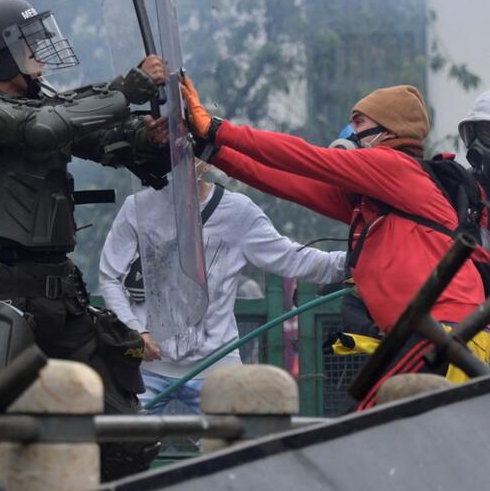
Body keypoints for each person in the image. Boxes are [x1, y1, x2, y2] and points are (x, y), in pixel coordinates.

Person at [0, 0, 171, 480]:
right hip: (0, 293)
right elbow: (40, 130)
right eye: (27, 42)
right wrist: (127, 89)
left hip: (62, 290)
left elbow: (95, 135)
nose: (39, 51)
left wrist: (150, 139)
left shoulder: (37, 100)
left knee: (129, 438)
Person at [181, 77, 489, 409]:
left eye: (358, 122)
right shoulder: (372, 200)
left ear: (388, 130)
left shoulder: (394, 167)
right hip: (425, 332)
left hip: (443, 328)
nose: (349, 132)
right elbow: (285, 180)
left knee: (366, 428)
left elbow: (304, 157)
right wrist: (211, 151)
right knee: (371, 427)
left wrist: (215, 128)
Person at [99, 160, 346, 414]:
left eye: (190, 151)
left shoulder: (237, 212)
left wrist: (353, 261)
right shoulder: (138, 207)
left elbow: (291, 258)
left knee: (236, 445)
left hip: (217, 363)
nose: (180, 161)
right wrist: (135, 331)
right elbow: (110, 277)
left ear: (206, 160)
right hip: (147, 366)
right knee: (126, 446)